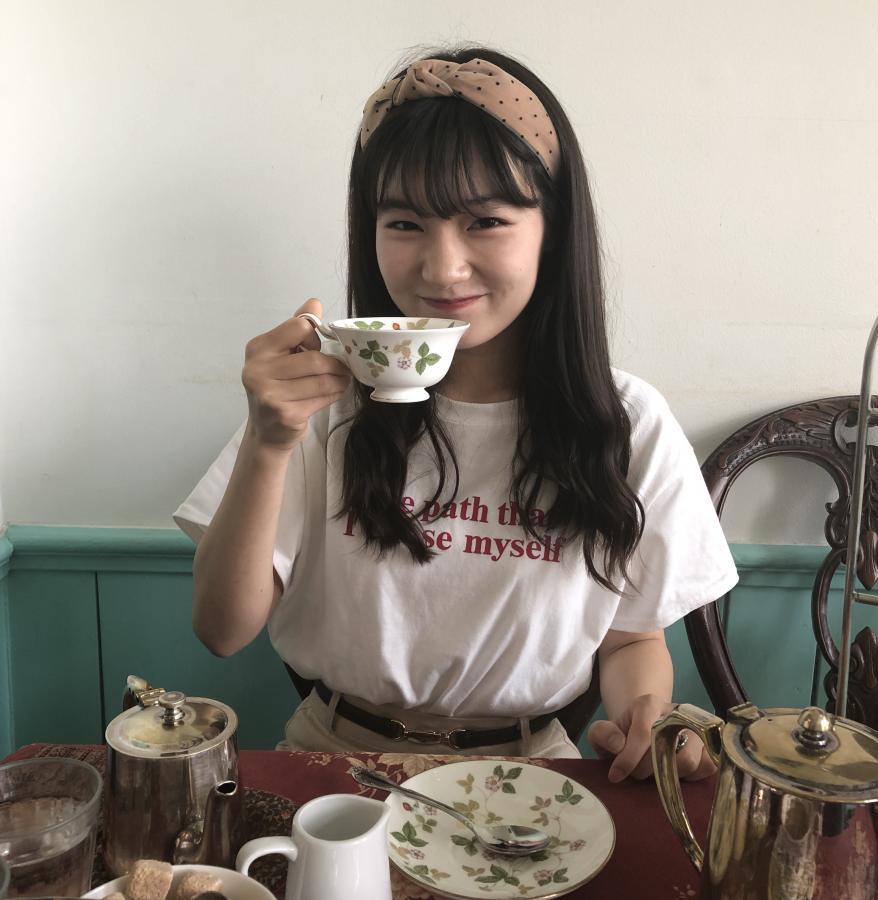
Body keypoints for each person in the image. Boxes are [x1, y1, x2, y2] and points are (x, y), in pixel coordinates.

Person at [174, 45, 738, 781]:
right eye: (404, 223)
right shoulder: (318, 403)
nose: (442, 268)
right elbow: (221, 629)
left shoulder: (627, 422)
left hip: (532, 773)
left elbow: (632, 639)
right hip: (335, 756)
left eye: (486, 221)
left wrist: (646, 716)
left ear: (554, 228)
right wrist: (267, 441)